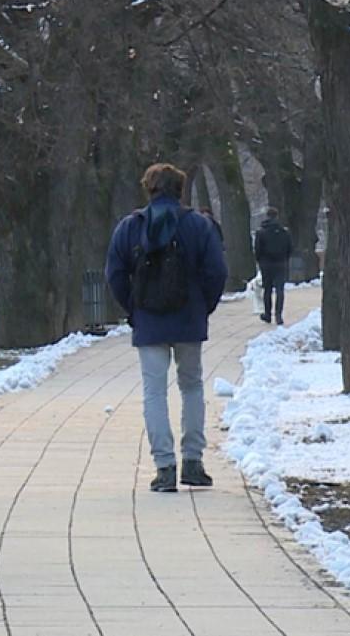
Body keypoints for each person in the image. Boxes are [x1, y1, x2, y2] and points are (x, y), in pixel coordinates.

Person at [106, 163, 228, 492]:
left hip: (149, 321)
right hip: (188, 319)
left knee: (154, 392)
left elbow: (115, 273)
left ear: (149, 188)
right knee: (191, 387)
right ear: (180, 189)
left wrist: (133, 309)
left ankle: (164, 466)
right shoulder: (199, 226)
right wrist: (203, 306)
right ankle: (193, 460)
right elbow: (217, 270)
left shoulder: (130, 227)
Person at [254, 207, 293, 326]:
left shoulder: (261, 232)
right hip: (281, 263)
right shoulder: (284, 232)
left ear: (267, 216)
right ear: (277, 216)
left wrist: (260, 260)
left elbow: (257, 249)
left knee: (267, 290)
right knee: (280, 290)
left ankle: (267, 314)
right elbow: (290, 248)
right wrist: (284, 258)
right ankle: (278, 315)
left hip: (266, 264)